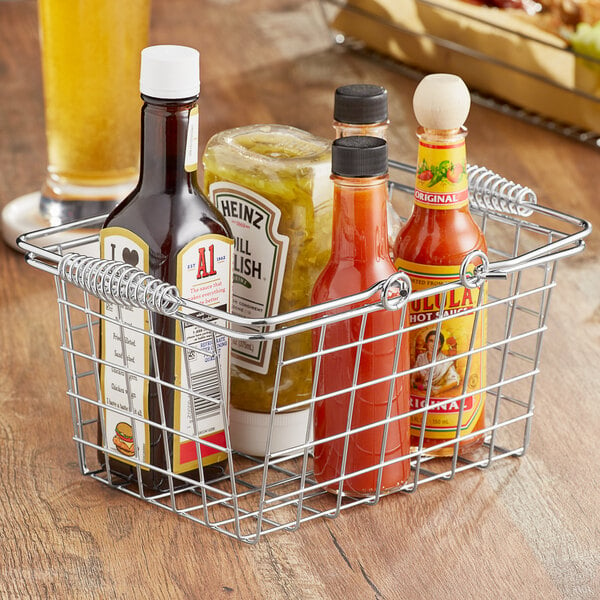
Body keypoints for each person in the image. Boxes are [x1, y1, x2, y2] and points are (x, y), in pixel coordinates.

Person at [412, 330, 461, 396]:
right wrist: (419, 386)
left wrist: (437, 390)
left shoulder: (446, 361)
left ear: (440, 345)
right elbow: (413, 377)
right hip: (421, 394)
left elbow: (455, 380)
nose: (433, 344)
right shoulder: (421, 358)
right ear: (427, 342)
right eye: (431, 341)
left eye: (437, 342)